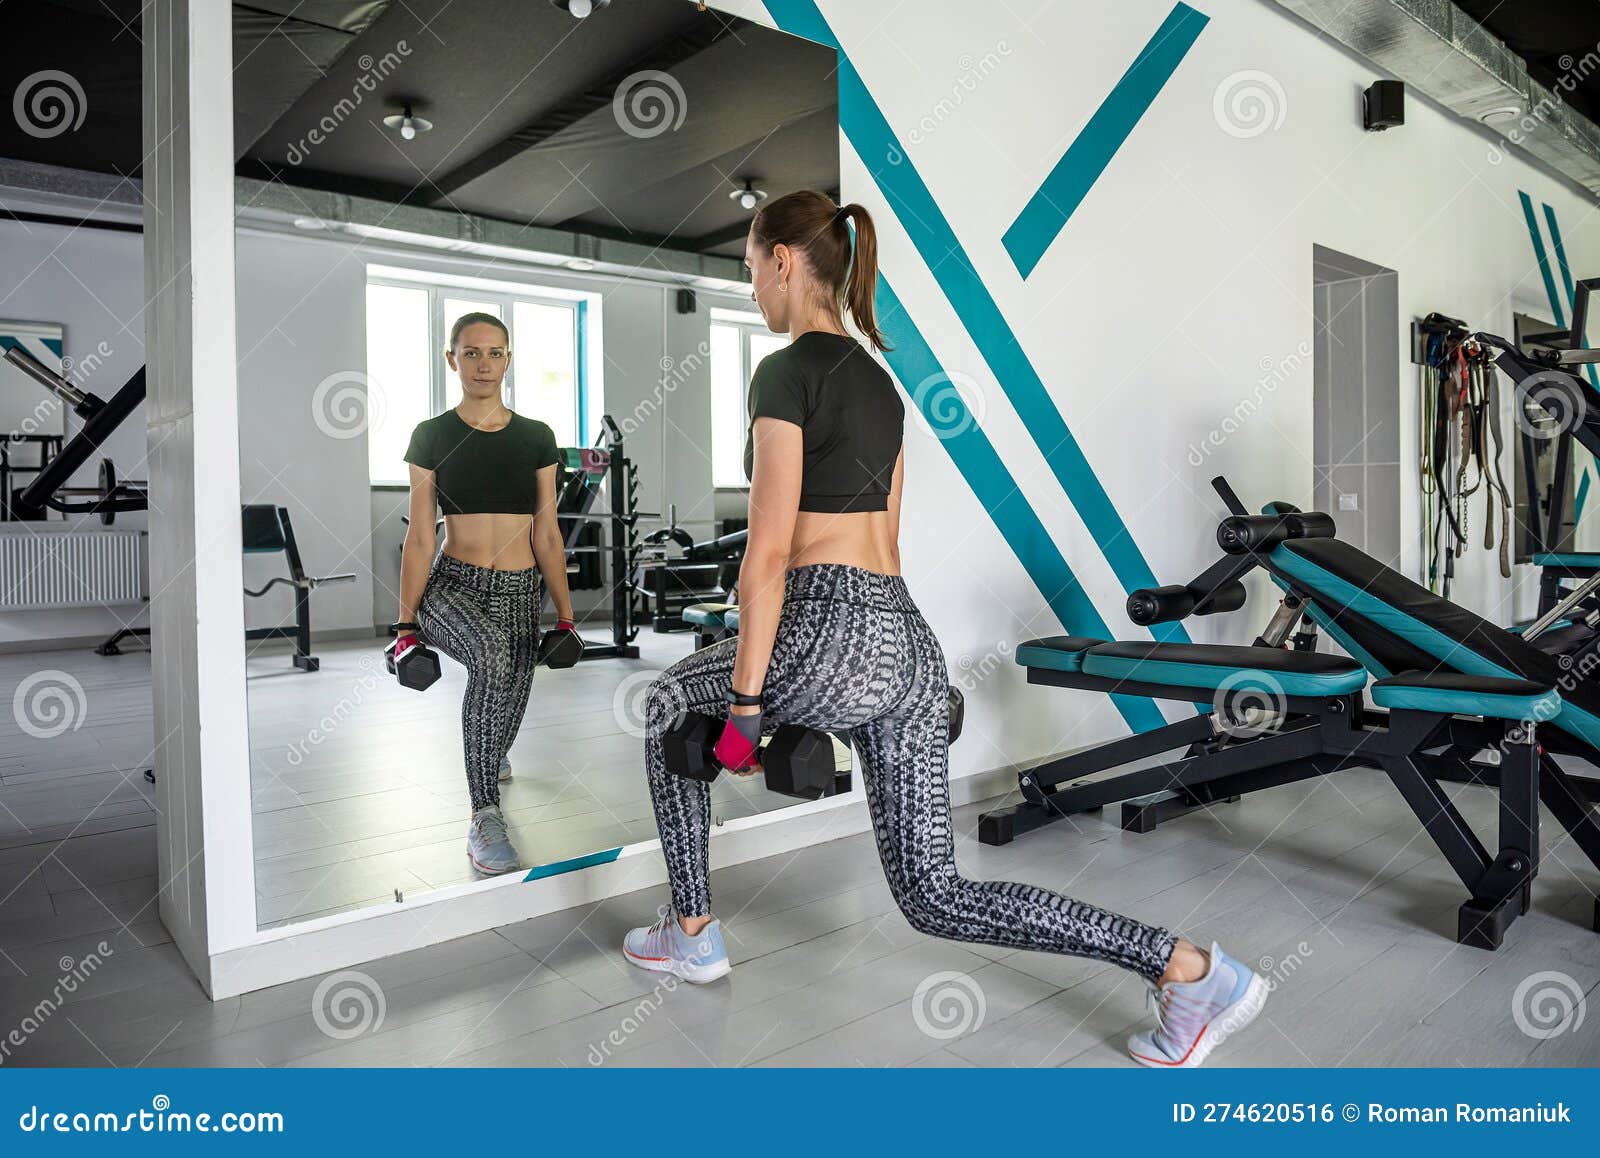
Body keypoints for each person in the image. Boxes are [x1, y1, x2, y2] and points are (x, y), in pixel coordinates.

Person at [621, 191, 1266, 1068]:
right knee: (935, 893)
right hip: (906, 647)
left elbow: (766, 557)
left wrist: (743, 706)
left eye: (747, 268)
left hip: (824, 626)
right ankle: (1190, 970)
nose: (751, 289)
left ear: (781, 261)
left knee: (664, 701)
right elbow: (885, 537)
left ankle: (693, 928)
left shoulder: (784, 371)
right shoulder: (881, 384)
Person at [392, 312, 580, 876]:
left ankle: (489, 754)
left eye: (495, 353)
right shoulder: (431, 435)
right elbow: (421, 534)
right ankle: (483, 814)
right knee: (495, 659)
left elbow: (547, 533)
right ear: (452, 359)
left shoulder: (536, 438)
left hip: (520, 588)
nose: (483, 364)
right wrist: (404, 627)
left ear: (509, 360)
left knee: (514, 686)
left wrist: (567, 617)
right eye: (471, 353)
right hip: (452, 583)